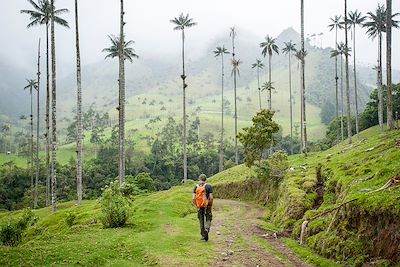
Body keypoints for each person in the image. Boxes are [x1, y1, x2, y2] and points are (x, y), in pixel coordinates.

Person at [192, 174, 213, 241]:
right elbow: (211, 197)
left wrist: (197, 205)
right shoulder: (209, 186)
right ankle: (206, 229)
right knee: (208, 218)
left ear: (199, 179)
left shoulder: (196, 186)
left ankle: (203, 235)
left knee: (201, 220)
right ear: (205, 179)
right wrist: (210, 204)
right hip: (207, 205)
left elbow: (193, 198)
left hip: (199, 206)